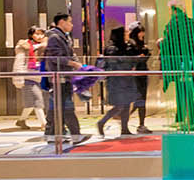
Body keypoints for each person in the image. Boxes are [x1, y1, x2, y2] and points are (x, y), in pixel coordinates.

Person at [160, 3, 194, 128]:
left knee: (182, 91)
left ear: (173, 12)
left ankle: (186, 120)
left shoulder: (173, 25)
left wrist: (161, 44)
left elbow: (169, 44)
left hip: (181, 63)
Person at [42, 11, 86, 143]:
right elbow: (55, 57)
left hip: (63, 77)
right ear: (62, 22)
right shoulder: (55, 37)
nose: (72, 25)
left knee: (57, 107)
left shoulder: (62, 37)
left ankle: (53, 135)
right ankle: (75, 135)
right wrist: (73, 64)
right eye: (70, 22)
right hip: (59, 77)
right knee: (66, 106)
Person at [96, 25, 137, 137]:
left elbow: (133, 59)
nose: (127, 34)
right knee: (120, 105)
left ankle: (124, 128)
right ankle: (102, 122)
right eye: (125, 32)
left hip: (126, 79)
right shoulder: (112, 48)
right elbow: (114, 63)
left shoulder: (126, 46)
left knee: (127, 104)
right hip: (116, 80)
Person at [11, 26, 45, 129]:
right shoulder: (25, 47)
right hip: (27, 77)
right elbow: (19, 63)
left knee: (30, 104)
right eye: (36, 34)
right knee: (38, 100)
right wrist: (19, 77)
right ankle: (45, 124)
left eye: (41, 34)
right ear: (31, 35)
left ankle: (21, 121)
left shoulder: (41, 47)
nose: (39, 36)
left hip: (38, 77)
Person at [127, 24, 153, 135]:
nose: (142, 34)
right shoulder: (131, 45)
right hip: (136, 76)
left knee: (141, 100)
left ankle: (140, 124)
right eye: (140, 32)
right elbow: (133, 60)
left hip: (143, 74)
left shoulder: (141, 44)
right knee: (139, 100)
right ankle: (124, 117)